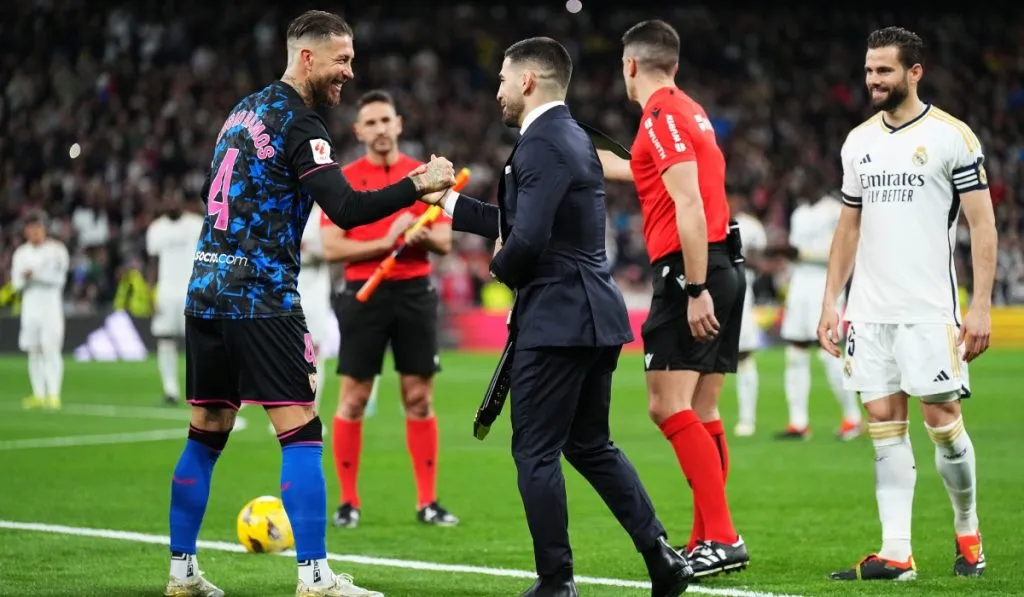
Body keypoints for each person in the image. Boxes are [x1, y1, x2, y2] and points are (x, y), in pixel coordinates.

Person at [164, 9, 455, 597]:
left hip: (206, 289)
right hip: (263, 297)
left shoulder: (241, 113)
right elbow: (345, 208)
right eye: (341, 60)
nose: (348, 71)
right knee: (300, 433)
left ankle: (181, 572)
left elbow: (209, 190)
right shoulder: (303, 123)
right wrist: (418, 185)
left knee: (206, 431)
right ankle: (316, 577)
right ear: (307, 57)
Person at [424, 37, 693, 597]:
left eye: (502, 78)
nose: (496, 89)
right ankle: (662, 557)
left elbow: (526, 239)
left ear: (527, 81)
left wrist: (496, 270)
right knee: (591, 445)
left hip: (556, 319)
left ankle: (556, 581)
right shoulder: (570, 137)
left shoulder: (541, 144)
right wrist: (444, 200)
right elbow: (522, 218)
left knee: (535, 451)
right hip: (594, 315)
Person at [818, 26, 994, 581]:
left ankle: (968, 531)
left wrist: (981, 306)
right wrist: (832, 301)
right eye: (869, 70)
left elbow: (982, 225)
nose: (872, 80)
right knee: (883, 426)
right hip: (869, 313)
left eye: (884, 70)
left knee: (943, 421)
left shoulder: (953, 137)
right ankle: (897, 554)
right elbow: (849, 226)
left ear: (914, 72)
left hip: (928, 310)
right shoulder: (858, 141)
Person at [596, 19, 748, 576]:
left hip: (692, 269)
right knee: (702, 408)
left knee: (666, 406)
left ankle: (725, 537)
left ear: (630, 65)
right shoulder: (688, 111)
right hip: (725, 263)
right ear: (675, 64)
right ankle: (709, 538)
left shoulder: (659, 116)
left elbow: (688, 203)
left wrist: (695, 287)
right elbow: (647, 174)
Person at [320, 89, 458, 529]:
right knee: (354, 398)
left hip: (414, 291)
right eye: (371, 123)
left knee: (418, 398)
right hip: (363, 292)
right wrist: (388, 239)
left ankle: (428, 502)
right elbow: (330, 246)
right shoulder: (343, 178)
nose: (380, 130)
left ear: (398, 124)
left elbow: (445, 240)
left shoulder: (422, 175)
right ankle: (347, 503)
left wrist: (420, 235)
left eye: (386, 121)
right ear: (358, 131)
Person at [774, 174, 862, 441]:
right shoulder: (799, 213)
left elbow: (846, 250)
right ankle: (798, 423)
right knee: (795, 352)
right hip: (800, 284)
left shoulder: (834, 210)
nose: (797, 186)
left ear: (817, 184)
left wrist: (800, 254)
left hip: (826, 286)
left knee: (830, 353)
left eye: (803, 181)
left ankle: (853, 419)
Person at [146, 197, 204, 406]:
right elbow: (153, 262)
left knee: (196, 341)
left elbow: (207, 255)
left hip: (193, 289)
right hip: (166, 291)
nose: (170, 204)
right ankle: (170, 389)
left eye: (174, 201)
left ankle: (197, 388)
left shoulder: (195, 224)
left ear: (182, 204)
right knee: (165, 339)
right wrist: (150, 291)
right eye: (166, 202)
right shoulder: (156, 228)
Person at [11, 212, 69, 411]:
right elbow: (16, 284)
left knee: (51, 349)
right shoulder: (21, 253)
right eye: (31, 228)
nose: (35, 232)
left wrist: (35, 276)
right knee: (33, 350)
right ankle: (38, 393)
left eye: (38, 228)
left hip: (50, 307)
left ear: (44, 229)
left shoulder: (57, 250)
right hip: (30, 308)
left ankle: (53, 394)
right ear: (26, 231)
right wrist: (27, 278)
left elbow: (59, 280)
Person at [728, 192, 766, 437]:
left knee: (743, 354)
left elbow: (758, 260)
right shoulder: (707, 216)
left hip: (741, 291)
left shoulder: (751, 226)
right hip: (707, 292)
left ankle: (747, 419)